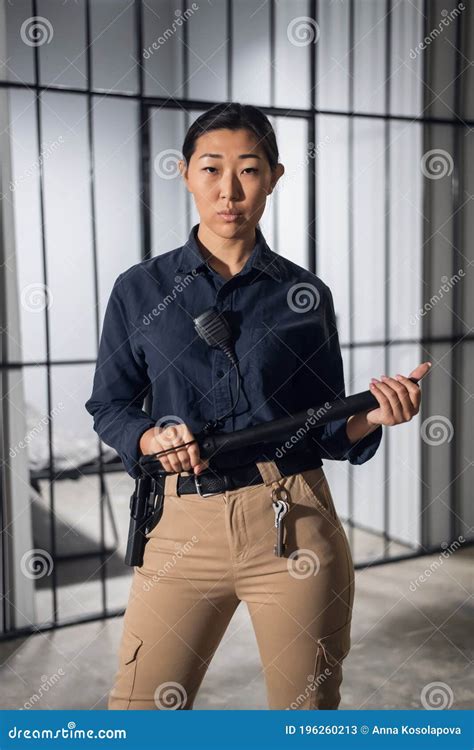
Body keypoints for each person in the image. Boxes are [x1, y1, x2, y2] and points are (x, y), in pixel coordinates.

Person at [85, 102, 429, 710]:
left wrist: (375, 415)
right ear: (186, 173)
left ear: (274, 176)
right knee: (139, 716)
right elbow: (110, 404)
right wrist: (147, 439)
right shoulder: (139, 288)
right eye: (211, 169)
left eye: (248, 170)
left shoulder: (304, 295)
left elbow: (322, 424)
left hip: (293, 520)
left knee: (303, 720)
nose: (229, 190)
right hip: (179, 527)